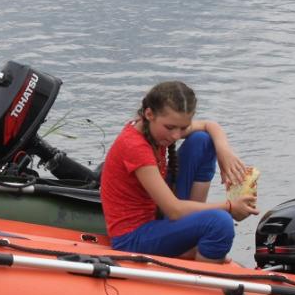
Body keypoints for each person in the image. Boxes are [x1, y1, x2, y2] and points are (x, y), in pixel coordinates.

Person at [100, 80, 258, 262]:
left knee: (203, 141)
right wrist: (229, 207)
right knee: (221, 222)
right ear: (149, 114)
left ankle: (192, 235)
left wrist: (224, 152)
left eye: (183, 128)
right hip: (132, 238)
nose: (176, 135)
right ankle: (200, 257)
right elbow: (173, 210)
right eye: (170, 128)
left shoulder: (156, 127)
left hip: (157, 215)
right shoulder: (134, 146)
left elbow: (210, 125)